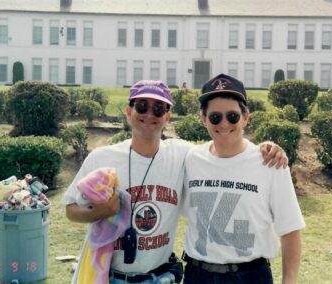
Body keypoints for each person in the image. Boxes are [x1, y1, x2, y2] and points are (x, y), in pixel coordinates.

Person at [61, 80, 288, 284]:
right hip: (112, 277)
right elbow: (71, 209)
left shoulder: (183, 155)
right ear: (128, 112)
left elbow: (222, 146)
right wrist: (98, 211)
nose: (150, 114)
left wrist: (265, 149)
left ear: (167, 117)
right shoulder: (102, 158)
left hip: (161, 277)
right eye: (142, 106)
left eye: (159, 108)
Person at [181, 74, 305, 284]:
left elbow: (290, 230)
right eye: (215, 117)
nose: (224, 124)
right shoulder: (191, 159)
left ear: (246, 116)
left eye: (232, 116)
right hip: (197, 274)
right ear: (203, 119)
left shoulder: (270, 163)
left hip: (250, 276)